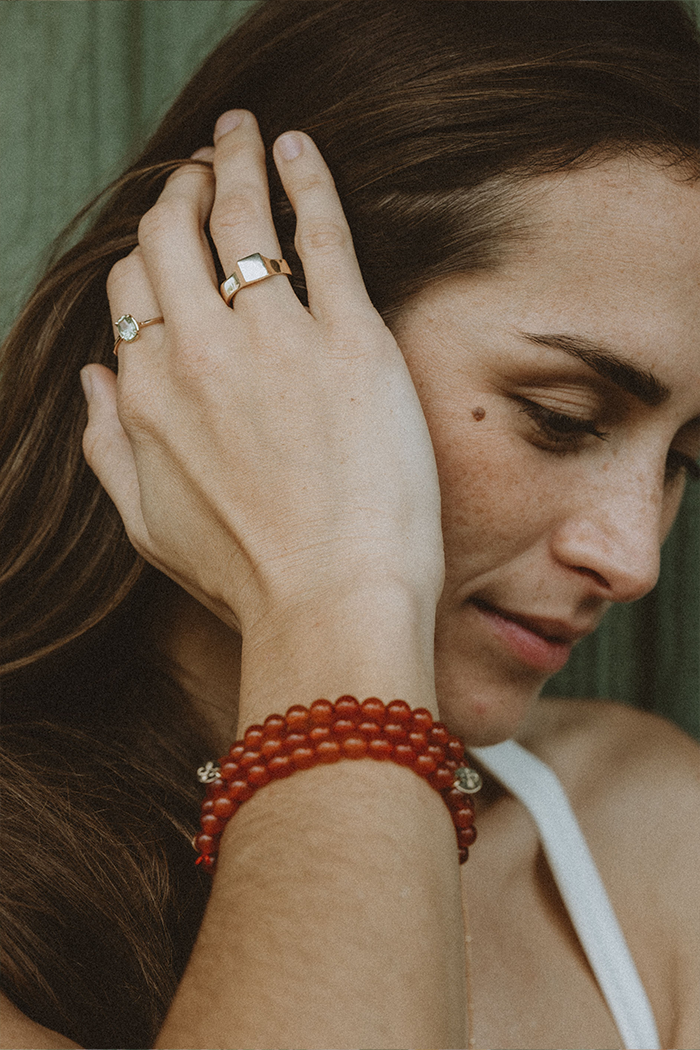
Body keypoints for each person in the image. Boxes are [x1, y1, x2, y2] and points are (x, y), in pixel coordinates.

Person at [1, 2, 699, 1048]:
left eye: (684, 462)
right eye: (561, 418)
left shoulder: (639, 828)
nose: (632, 556)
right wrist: (333, 591)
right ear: (238, 325)